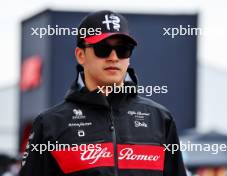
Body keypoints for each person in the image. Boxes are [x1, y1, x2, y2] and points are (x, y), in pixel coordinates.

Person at [20, 10, 187, 176]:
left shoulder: (160, 119)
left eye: (122, 49)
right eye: (102, 48)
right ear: (80, 55)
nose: (113, 57)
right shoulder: (50, 124)